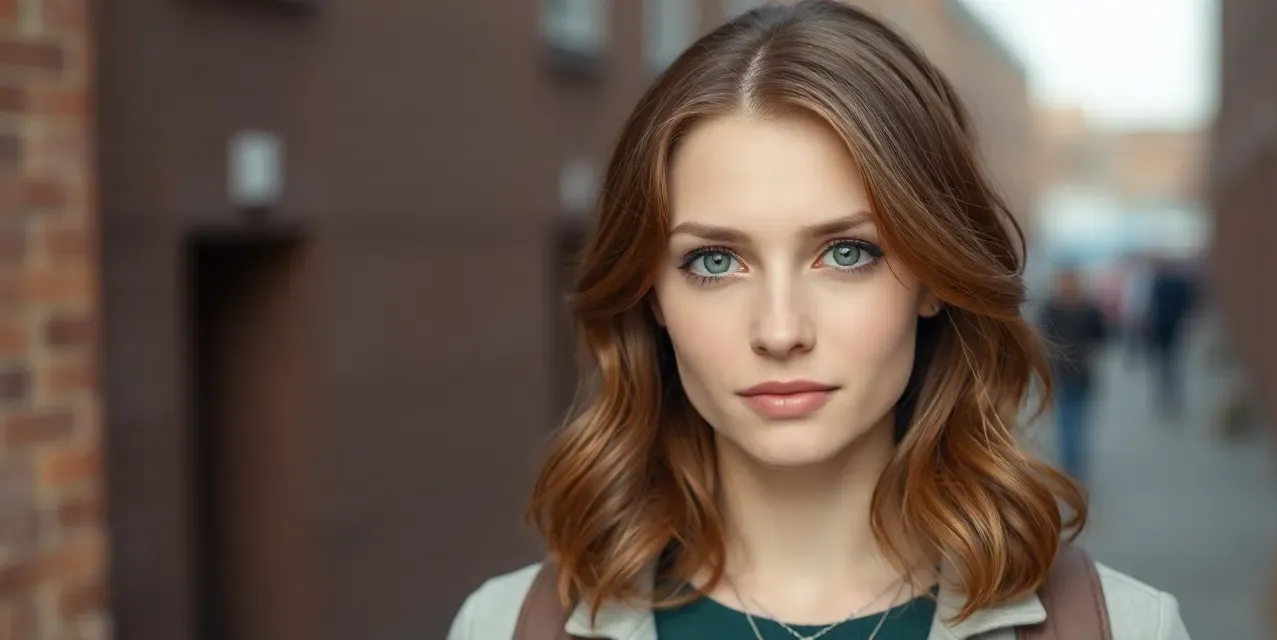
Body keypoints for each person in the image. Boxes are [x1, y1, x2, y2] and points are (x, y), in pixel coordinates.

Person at [449, 3, 1189, 639]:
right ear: (651, 297)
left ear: (932, 275)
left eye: (845, 253)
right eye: (713, 262)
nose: (779, 330)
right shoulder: (502, 626)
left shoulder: (1127, 627)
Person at [1039, 268, 1109, 484]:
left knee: (1078, 421)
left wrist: (1088, 354)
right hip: (1059, 373)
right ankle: (1069, 467)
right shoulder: (1050, 309)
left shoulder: (1090, 310)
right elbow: (1041, 337)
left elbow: (1101, 337)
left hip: (1082, 374)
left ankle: (1074, 467)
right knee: (1064, 421)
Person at [1145, 258, 1195, 422]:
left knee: (1167, 366)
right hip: (1167, 329)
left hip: (1166, 329)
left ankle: (1169, 399)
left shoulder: (1162, 283)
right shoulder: (1173, 283)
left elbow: (1152, 307)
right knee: (1169, 366)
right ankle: (1170, 399)